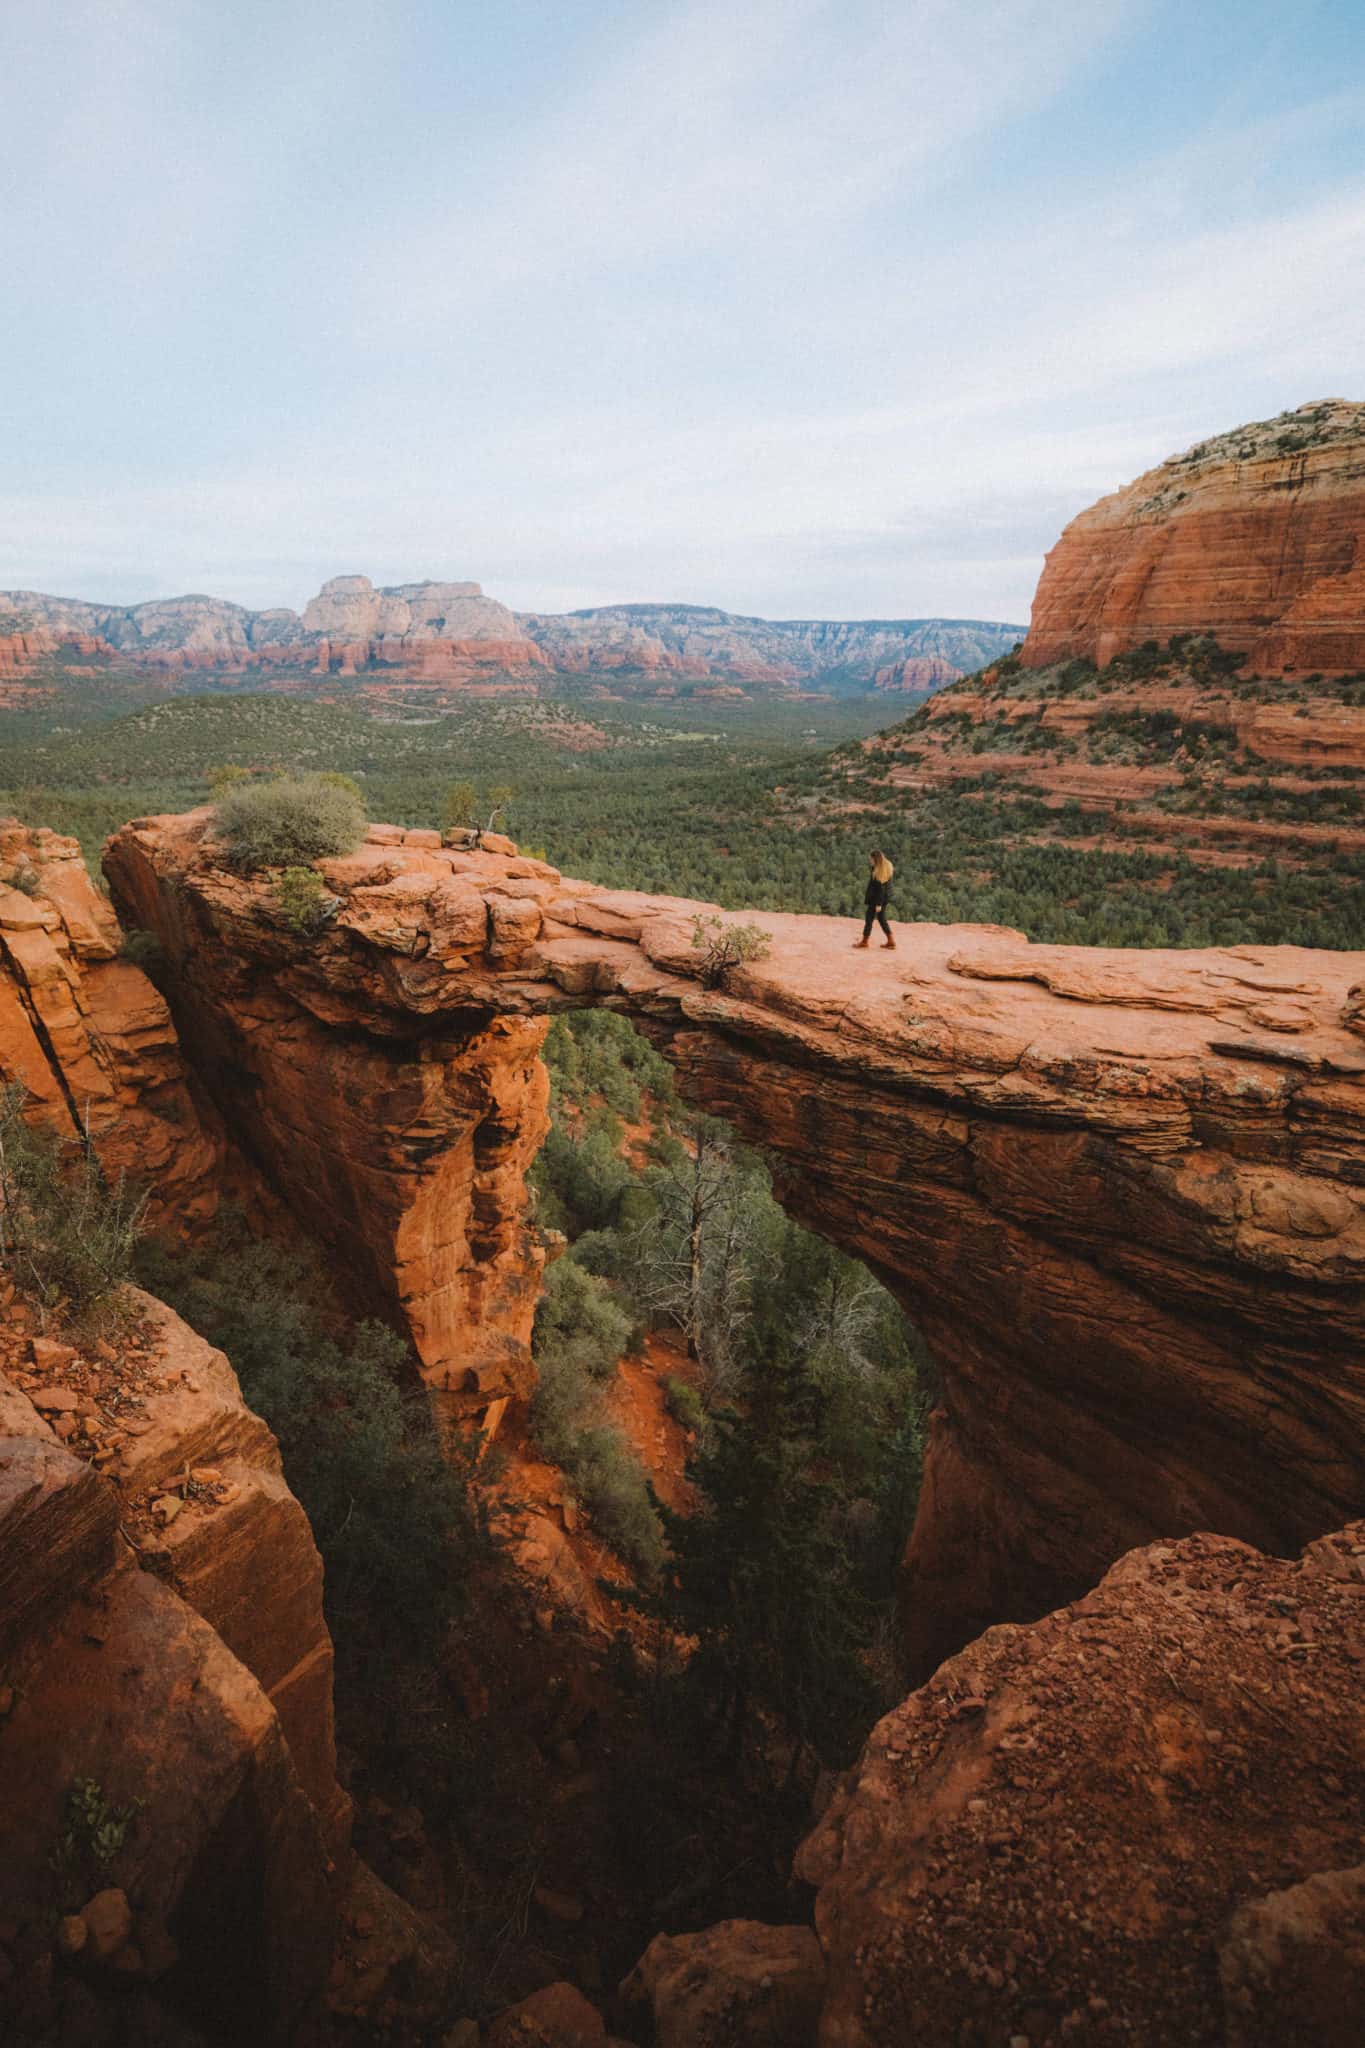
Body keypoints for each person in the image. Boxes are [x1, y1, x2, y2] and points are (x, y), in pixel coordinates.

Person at [855, 850, 895, 949]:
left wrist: (878, 904)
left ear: (875, 859)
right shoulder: (887, 866)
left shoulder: (879, 872)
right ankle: (891, 941)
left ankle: (864, 942)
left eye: (871, 859)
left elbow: (880, 889)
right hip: (884, 898)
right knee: (881, 918)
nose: (870, 861)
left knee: (869, 918)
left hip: (877, 899)